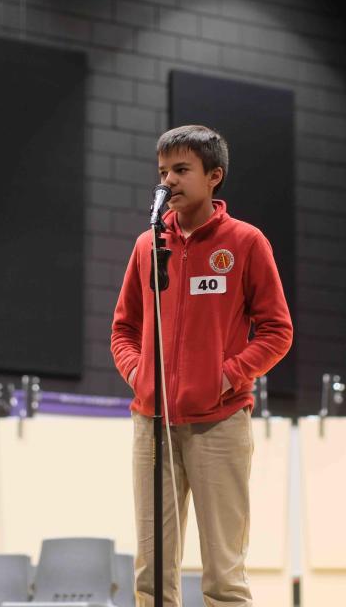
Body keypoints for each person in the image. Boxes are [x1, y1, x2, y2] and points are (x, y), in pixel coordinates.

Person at [110, 124, 293, 606]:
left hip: (220, 425)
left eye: (181, 170)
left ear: (214, 177)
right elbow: (122, 330)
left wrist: (227, 376)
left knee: (223, 575)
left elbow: (278, 331)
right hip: (152, 427)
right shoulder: (148, 246)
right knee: (151, 573)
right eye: (163, 171)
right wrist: (139, 374)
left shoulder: (246, 242)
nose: (168, 180)